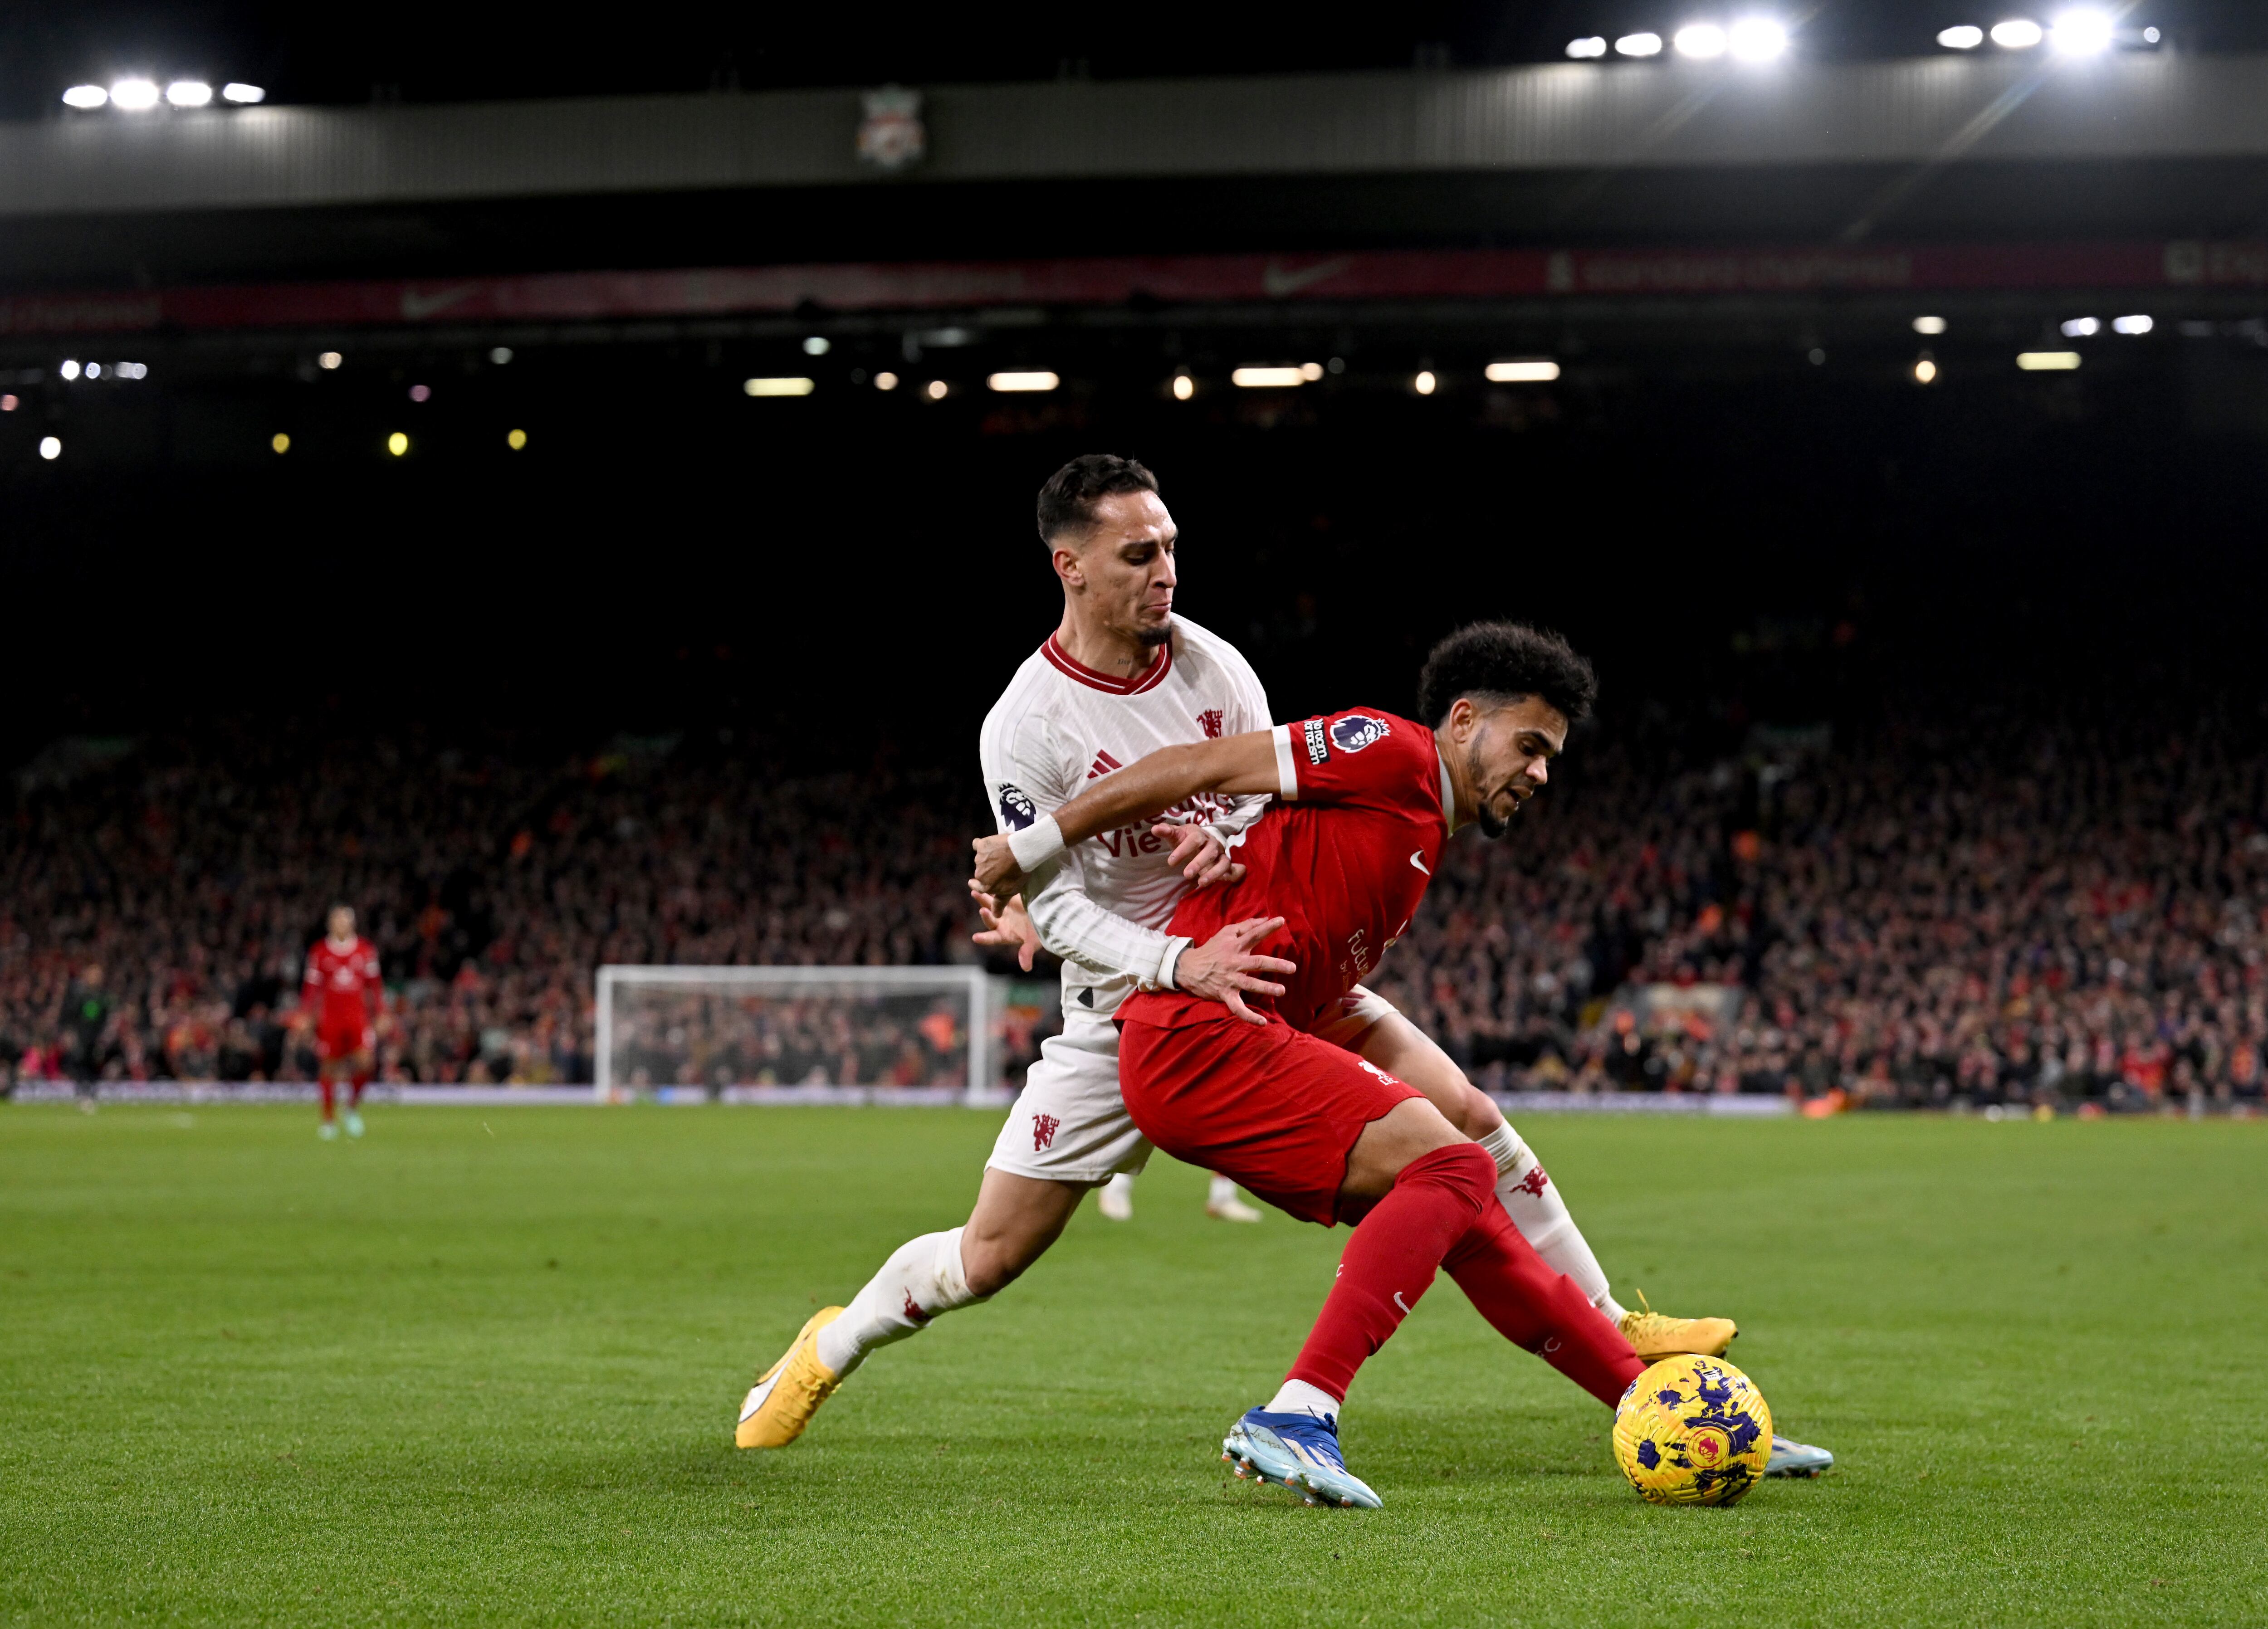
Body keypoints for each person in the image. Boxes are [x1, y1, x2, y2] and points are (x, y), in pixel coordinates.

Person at [734, 457, 1730, 1454]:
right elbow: (1061, 908)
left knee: (1466, 1120)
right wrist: (1171, 957)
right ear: (1069, 566)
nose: (1166, 571)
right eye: (1139, 554)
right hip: (1133, 997)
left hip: (1263, 964)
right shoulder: (1025, 725)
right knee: (989, 1255)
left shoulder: (1216, 668)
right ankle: (830, 1345)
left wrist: (1223, 842)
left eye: (1171, 547)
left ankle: (1611, 1320)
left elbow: (1265, 802)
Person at [973, 622, 1832, 1504]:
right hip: (1195, 1035)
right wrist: (1034, 848)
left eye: (1551, 755)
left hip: (1240, 1029)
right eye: (1529, 745)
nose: (1541, 772)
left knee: (1468, 1201)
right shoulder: (1390, 752)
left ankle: (1656, 1405)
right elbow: (1196, 765)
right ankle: (1298, 1410)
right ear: (1463, 722)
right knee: (1454, 1164)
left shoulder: (1420, 818)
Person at [301, 906, 381, 1139]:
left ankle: (351, 1109)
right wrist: (306, 1014)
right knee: (329, 1067)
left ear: (352, 924)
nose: (341, 924)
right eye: (337, 920)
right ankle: (328, 1120)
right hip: (331, 1019)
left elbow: (375, 986)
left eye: (345, 920)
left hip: (358, 1018)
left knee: (366, 1063)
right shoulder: (320, 952)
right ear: (330, 924)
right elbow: (311, 987)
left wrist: (381, 1013)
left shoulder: (365, 950)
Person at [62, 962, 112, 1112]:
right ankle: (81, 1094)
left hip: (96, 1039)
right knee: (80, 1065)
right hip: (81, 1038)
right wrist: (69, 1033)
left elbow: (106, 1019)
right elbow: (70, 1016)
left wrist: (105, 1037)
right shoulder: (80, 995)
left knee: (94, 1065)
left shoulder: (103, 997)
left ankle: (92, 1094)